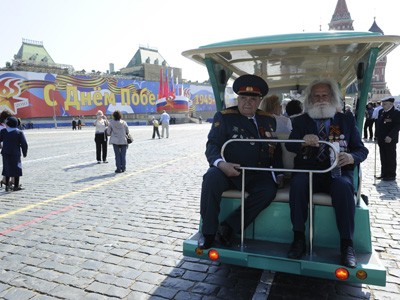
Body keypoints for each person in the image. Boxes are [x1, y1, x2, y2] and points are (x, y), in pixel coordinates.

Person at [285, 78, 368, 268]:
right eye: (316, 96)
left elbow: (361, 149)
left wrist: (351, 157)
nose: (321, 99)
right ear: (310, 100)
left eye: (325, 95)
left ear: (332, 97)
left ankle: (347, 245)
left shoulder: (346, 119)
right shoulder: (300, 121)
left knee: (344, 186)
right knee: (297, 184)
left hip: (337, 171)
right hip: (309, 170)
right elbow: (290, 145)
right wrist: (302, 141)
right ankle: (298, 238)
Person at [198, 74, 283, 250]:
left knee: (268, 191)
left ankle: (229, 227)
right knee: (211, 178)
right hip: (230, 171)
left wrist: (279, 173)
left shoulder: (268, 120)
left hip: (259, 172)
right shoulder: (224, 117)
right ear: (238, 98)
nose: (247, 102)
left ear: (259, 101)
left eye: (252, 99)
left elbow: (275, 149)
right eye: (243, 98)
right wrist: (222, 165)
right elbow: (212, 146)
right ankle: (208, 233)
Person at [375, 97, 400, 181]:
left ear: (391, 104)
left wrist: (390, 136)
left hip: (390, 140)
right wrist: (376, 135)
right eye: (382, 103)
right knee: (383, 156)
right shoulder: (380, 112)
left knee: (390, 157)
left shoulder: (396, 113)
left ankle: (391, 175)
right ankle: (384, 173)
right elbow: (378, 125)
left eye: (385, 103)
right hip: (381, 139)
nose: (383, 105)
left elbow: (397, 126)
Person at [0, 117, 28, 192]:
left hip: (5, 153)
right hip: (15, 154)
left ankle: (7, 186)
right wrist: (24, 152)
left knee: (7, 168)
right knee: (17, 169)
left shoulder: (3, 131)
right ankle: (16, 186)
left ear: (7, 124)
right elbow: (24, 144)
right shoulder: (19, 132)